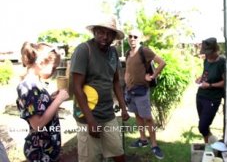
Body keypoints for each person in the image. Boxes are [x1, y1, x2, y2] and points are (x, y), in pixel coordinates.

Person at [70, 14, 130, 162]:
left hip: (108, 114)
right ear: (94, 31)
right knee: (91, 158)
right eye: (101, 32)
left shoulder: (113, 52)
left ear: (114, 37)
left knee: (118, 152)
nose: (105, 37)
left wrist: (123, 108)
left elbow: (116, 81)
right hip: (87, 116)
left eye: (110, 34)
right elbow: (76, 87)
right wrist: (90, 120)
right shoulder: (84, 50)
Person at [16, 42, 69, 162]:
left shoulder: (35, 84)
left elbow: (38, 107)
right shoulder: (28, 87)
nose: (55, 71)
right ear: (40, 63)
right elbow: (37, 125)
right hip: (39, 151)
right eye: (54, 67)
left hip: (47, 148)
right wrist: (59, 101)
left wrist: (51, 99)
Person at [124, 29, 166, 160]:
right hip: (131, 90)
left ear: (140, 38)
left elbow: (162, 63)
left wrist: (153, 76)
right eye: (130, 36)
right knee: (137, 115)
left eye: (135, 36)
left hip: (142, 90)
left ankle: (154, 145)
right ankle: (143, 139)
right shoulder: (127, 53)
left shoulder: (144, 51)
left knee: (147, 118)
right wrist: (126, 81)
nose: (132, 39)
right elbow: (128, 70)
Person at [195, 37, 226, 144]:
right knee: (205, 128)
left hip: (212, 98)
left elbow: (225, 82)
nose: (206, 55)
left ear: (214, 50)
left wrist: (210, 85)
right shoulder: (206, 61)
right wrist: (200, 78)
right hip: (200, 96)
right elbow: (206, 74)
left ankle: (215, 145)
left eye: (208, 52)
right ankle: (208, 149)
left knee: (202, 126)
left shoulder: (222, 62)